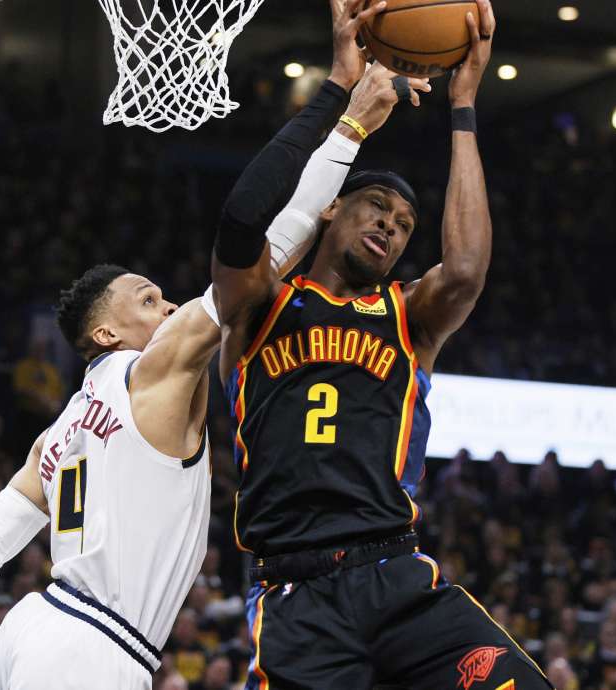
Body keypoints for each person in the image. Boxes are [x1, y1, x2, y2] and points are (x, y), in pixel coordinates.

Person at [0, 60, 412, 690]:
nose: (170, 306)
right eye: (148, 301)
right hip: (93, 647)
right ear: (106, 334)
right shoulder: (153, 373)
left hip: (31, 630)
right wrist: (347, 127)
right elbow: (273, 247)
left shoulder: (60, 432)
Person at [211, 0, 550, 686]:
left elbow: (466, 270)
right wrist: (339, 98)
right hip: (296, 597)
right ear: (332, 206)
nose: (392, 228)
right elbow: (243, 219)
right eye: (378, 209)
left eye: (403, 224)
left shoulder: (407, 316)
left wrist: (463, 106)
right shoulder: (259, 306)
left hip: (394, 574)